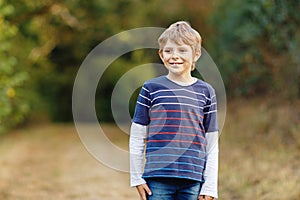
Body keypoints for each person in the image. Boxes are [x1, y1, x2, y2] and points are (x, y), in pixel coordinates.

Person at [130, 21, 219, 200]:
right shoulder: (151, 88)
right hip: (157, 178)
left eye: (182, 50)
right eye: (168, 51)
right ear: (161, 55)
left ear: (196, 54)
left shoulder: (206, 92)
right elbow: (137, 135)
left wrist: (210, 187)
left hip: (193, 179)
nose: (174, 56)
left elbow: (212, 142)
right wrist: (136, 177)